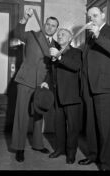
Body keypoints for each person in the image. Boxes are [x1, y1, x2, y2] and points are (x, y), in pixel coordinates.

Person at [10, 8, 59, 162]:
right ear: (44, 24)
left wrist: (47, 82)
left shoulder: (56, 46)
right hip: (25, 80)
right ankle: (19, 147)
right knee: (22, 114)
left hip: (42, 83)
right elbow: (17, 33)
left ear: (56, 29)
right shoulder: (31, 35)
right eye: (48, 24)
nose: (50, 27)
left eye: (53, 26)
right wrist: (25, 18)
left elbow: (53, 68)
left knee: (39, 115)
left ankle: (38, 144)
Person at [78, 6, 110, 170]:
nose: (92, 19)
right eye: (90, 17)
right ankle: (93, 155)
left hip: (105, 87)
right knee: (91, 125)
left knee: (106, 128)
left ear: (103, 16)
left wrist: (98, 35)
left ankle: (106, 164)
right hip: (89, 87)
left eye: (95, 15)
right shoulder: (89, 37)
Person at [42, 28, 82, 164]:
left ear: (70, 38)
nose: (59, 35)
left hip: (72, 97)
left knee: (72, 128)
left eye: (63, 34)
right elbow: (51, 72)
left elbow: (76, 66)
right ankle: (59, 149)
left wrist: (59, 57)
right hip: (57, 96)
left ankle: (71, 153)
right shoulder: (54, 53)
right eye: (58, 34)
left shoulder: (77, 52)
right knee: (58, 126)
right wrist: (46, 82)